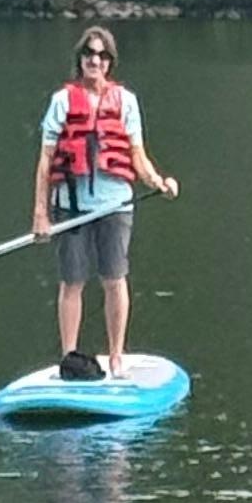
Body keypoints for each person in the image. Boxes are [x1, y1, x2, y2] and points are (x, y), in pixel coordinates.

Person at [31, 26, 178, 378]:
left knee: (114, 279)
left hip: (115, 206)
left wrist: (158, 181)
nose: (94, 60)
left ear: (110, 62)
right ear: (80, 59)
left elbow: (137, 155)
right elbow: (46, 160)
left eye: (101, 55)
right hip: (72, 206)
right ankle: (69, 357)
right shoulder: (62, 101)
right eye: (88, 54)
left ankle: (115, 357)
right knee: (73, 281)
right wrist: (40, 214)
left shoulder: (125, 102)